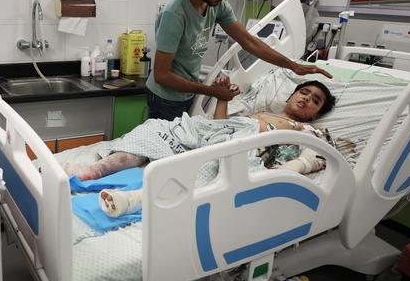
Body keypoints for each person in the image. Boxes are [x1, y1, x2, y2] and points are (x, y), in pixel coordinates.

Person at [64, 78, 337, 216]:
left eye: (315, 100)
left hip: (234, 150)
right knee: (155, 128)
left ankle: (136, 200)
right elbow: (220, 125)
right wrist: (222, 98)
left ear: (315, 114)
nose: (306, 99)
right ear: (292, 94)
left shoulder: (306, 132)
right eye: (304, 92)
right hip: (209, 134)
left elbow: (304, 160)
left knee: (201, 168)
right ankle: (97, 169)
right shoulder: (259, 111)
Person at [147, 0, 332, 120]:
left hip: (188, 93)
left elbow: (249, 42)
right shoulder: (175, 15)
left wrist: (293, 66)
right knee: (166, 152)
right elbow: (162, 75)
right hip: (165, 98)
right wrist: (211, 91)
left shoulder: (217, 6)